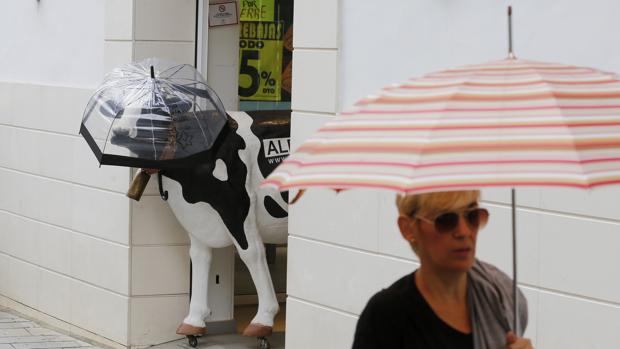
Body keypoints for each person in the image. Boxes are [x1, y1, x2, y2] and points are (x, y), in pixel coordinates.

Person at [352, 190, 534, 349]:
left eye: (472, 215)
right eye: (446, 219)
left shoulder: (501, 297)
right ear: (407, 228)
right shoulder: (386, 315)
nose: (463, 232)